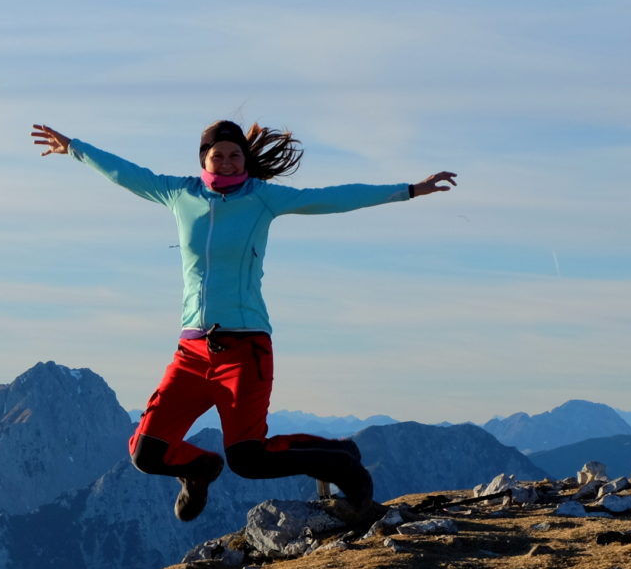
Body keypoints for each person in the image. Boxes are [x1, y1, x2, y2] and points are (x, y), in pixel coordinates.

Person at [30, 118, 456, 525]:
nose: (228, 162)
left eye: (236, 155)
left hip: (245, 347)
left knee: (249, 459)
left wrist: (409, 191)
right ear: (204, 159)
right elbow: (126, 173)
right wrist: (75, 149)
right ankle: (199, 470)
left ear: (246, 160)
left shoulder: (262, 198)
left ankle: (343, 463)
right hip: (192, 351)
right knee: (147, 453)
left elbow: (334, 197)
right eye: (219, 155)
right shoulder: (178, 194)